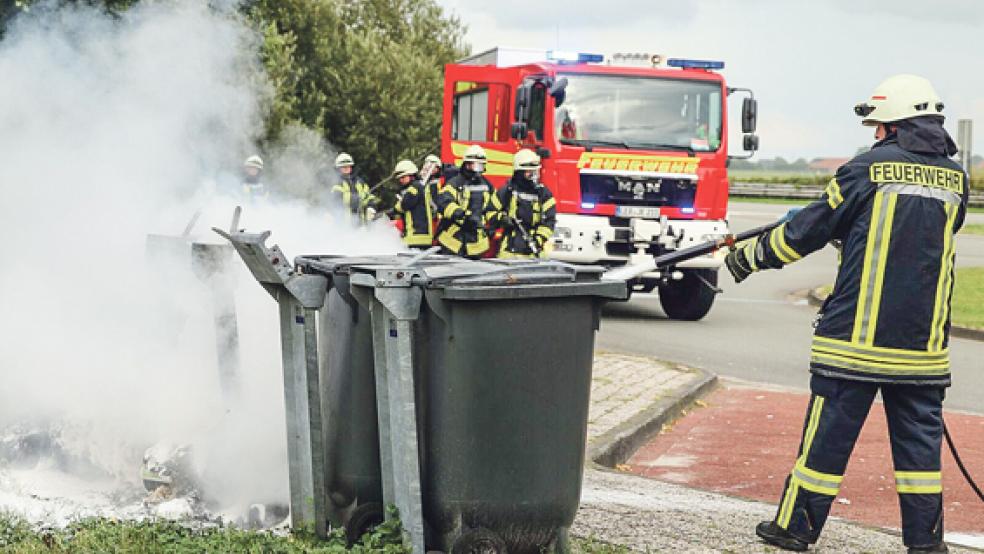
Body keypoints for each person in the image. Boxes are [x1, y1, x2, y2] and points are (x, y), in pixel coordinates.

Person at [725, 74, 968, 553]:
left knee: (824, 446)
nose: (874, 134)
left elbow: (806, 232)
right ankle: (926, 544)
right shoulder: (956, 178)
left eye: (878, 125)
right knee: (921, 458)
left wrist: (748, 256)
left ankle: (795, 529)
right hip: (922, 353)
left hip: (853, 345)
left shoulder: (865, 169)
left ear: (895, 125)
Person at [434, 144, 502, 259]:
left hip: (477, 245)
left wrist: (498, 220)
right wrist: (462, 215)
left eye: (480, 166)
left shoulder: (487, 186)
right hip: (452, 241)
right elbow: (444, 202)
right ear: (466, 164)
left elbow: (492, 208)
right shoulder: (455, 183)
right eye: (474, 165)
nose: (477, 169)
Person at [495, 149, 556, 258]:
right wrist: (502, 219)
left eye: (535, 172)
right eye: (529, 172)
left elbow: (549, 221)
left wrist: (538, 240)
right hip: (509, 252)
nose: (533, 176)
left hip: (534, 253)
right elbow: (490, 212)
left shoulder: (543, 194)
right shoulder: (506, 191)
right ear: (519, 172)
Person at [391, 159, 435, 249]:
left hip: (415, 238)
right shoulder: (421, 187)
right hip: (423, 237)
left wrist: (395, 208)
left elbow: (404, 205)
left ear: (412, 176)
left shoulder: (414, 188)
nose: (401, 180)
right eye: (400, 178)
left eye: (403, 177)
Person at [331, 152, 377, 223]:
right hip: (343, 226)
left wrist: (371, 207)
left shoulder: (360, 182)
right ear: (338, 168)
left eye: (348, 166)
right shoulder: (336, 182)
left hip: (360, 224)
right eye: (343, 166)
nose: (346, 168)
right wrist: (360, 198)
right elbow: (340, 197)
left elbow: (369, 196)